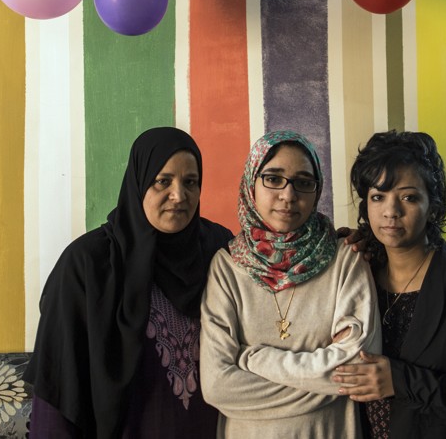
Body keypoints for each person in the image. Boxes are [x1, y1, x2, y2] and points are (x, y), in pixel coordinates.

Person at [25, 127, 233, 438]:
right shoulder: (88, 264)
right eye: (162, 181)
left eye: (191, 182)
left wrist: (331, 245)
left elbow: (275, 275)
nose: (179, 196)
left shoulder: (219, 249)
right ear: (138, 182)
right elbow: (59, 386)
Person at [333, 130, 446, 438]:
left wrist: (401, 380)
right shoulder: (356, 272)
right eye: (378, 197)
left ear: (433, 206)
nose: (391, 211)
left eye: (408, 197)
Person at [199, 130, 381, 438]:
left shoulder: (344, 257)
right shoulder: (227, 266)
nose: (288, 195)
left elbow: (356, 366)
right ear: (251, 184)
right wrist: (323, 378)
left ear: (317, 188)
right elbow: (218, 387)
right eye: (273, 178)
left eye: (303, 182)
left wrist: (253, 358)